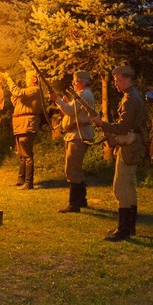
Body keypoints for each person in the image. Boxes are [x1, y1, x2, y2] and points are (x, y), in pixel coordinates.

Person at [91, 64, 147, 241]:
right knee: (129, 187)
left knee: (121, 187)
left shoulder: (130, 99)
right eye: (115, 80)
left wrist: (102, 124)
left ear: (127, 79)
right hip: (133, 144)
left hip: (129, 145)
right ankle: (129, 227)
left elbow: (123, 126)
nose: (116, 83)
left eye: (118, 80)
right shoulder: (134, 95)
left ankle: (123, 230)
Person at [50, 71, 95, 213]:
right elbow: (71, 110)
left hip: (78, 136)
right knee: (76, 168)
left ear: (82, 81)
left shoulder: (84, 94)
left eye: (75, 81)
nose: (73, 83)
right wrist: (62, 102)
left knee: (72, 169)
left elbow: (70, 110)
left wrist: (57, 100)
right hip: (76, 134)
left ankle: (74, 204)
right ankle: (81, 200)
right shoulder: (83, 95)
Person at [1, 69, 42, 190]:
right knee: (21, 154)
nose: (26, 79)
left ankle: (29, 183)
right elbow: (16, 101)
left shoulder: (35, 90)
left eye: (28, 77)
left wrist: (9, 79)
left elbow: (18, 92)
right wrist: (12, 92)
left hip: (27, 124)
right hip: (20, 125)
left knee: (27, 155)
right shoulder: (28, 93)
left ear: (34, 79)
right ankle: (21, 180)